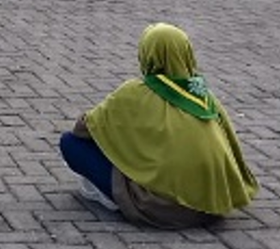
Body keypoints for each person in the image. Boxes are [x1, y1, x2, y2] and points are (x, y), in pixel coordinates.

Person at [59, 23, 258, 227]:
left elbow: (82, 130)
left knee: (71, 143)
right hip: (212, 207)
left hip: (158, 208)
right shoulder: (205, 97)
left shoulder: (135, 92)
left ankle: (119, 197)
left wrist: (119, 140)